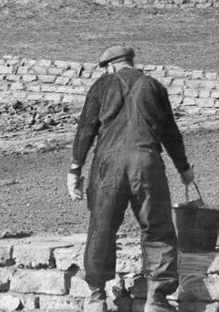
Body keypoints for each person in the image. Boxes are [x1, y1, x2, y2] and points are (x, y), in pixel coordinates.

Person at [68, 45, 194, 312]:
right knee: (158, 228)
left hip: (108, 167)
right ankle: (156, 300)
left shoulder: (102, 86)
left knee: (101, 228)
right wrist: (183, 168)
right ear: (131, 62)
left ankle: (97, 297)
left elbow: (86, 129)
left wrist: (75, 169)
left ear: (111, 66)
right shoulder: (154, 87)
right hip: (146, 163)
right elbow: (171, 132)